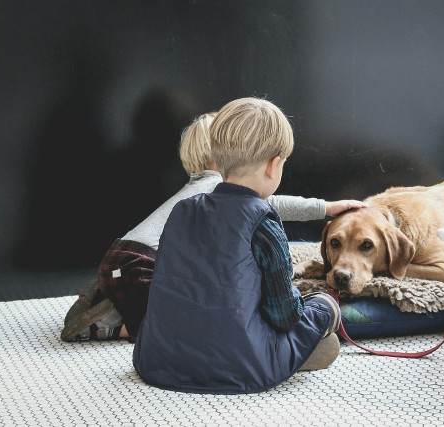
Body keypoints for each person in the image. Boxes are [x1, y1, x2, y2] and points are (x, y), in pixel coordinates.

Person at [61, 111, 364, 343]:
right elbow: (273, 203)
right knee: (166, 326)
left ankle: (106, 297)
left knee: (158, 300)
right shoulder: (218, 189)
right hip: (142, 264)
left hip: (121, 257)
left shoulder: (197, 189)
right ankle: (105, 327)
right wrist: (325, 207)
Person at [133, 97, 347, 394]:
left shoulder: (182, 210)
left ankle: (286, 351)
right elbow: (284, 315)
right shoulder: (263, 223)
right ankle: (297, 350)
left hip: (158, 359)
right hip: (241, 367)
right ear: (274, 166)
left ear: (217, 161)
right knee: (324, 306)